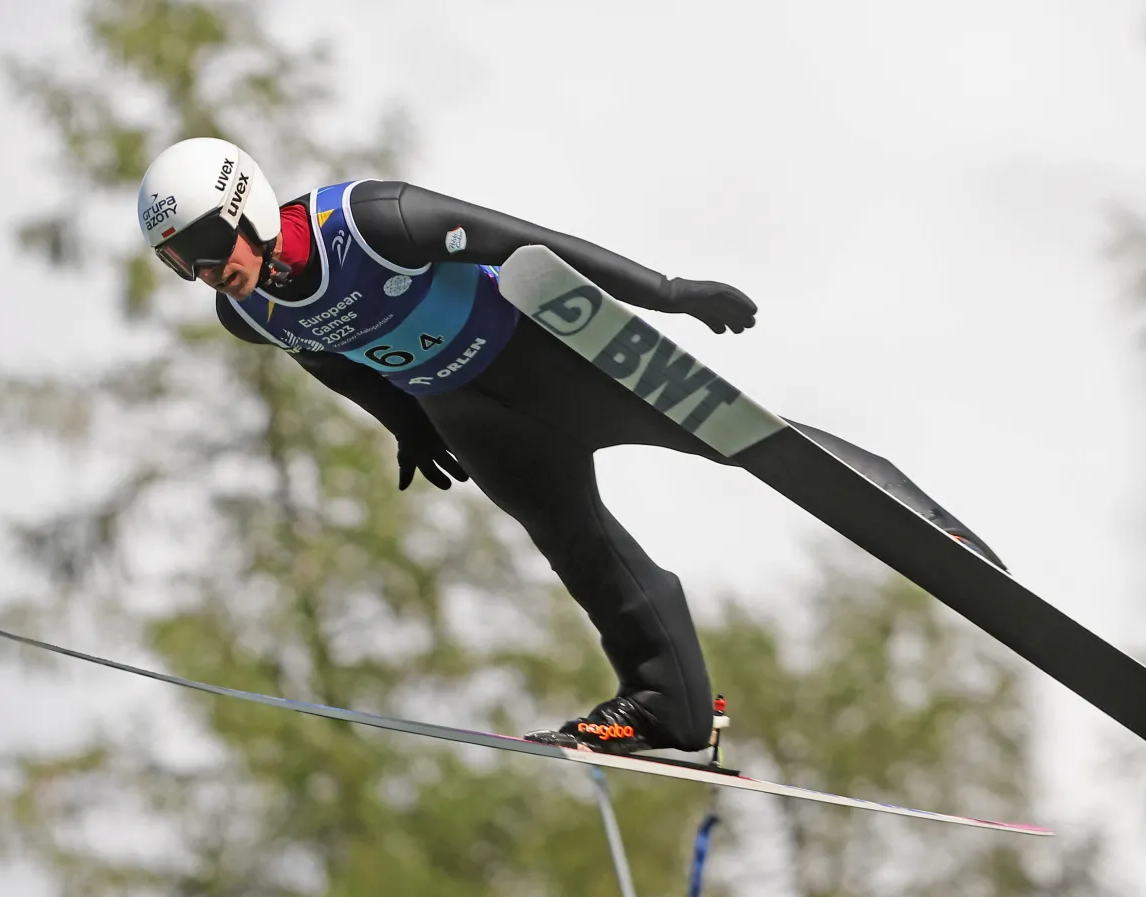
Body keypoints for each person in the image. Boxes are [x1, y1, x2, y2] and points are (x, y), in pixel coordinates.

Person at [136, 137, 1006, 756]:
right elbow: (325, 357)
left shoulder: (373, 221)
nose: (206, 272)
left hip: (551, 359)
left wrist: (668, 292)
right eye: (183, 264)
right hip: (473, 416)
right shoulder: (247, 313)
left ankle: (924, 520)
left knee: (744, 438)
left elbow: (529, 243)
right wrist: (404, 422)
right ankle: (666, 705)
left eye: (207, 245)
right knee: (581, 549)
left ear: (247, 204)